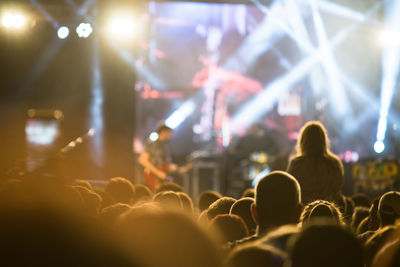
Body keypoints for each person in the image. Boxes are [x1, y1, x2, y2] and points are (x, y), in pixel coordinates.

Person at [287, 121, 344, 204]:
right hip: (330, 212)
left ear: (303, 140)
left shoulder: (296, 164)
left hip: (304, 213)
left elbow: (291, 189)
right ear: (324, 140)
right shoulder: (335, 163)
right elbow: (337, 190)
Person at [138, 124, 175, 192]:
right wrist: (158, 173)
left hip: (161, 179)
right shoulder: (152, 144)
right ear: (163, 132)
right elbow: (143, 160)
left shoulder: (164, 146)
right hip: (151, 178)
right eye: (169, 133)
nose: (171, 135)